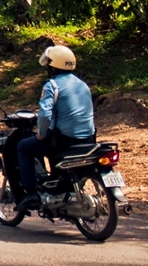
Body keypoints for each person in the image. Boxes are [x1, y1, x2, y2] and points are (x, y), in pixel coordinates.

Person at [12, 44, 95, 210]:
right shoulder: (82, 85)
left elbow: (45, 116)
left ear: (52, 67)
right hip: (88, 139)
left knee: (23, 147)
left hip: (64, 141)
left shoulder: (52, 85)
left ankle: (31, 194)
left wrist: (41, 134)